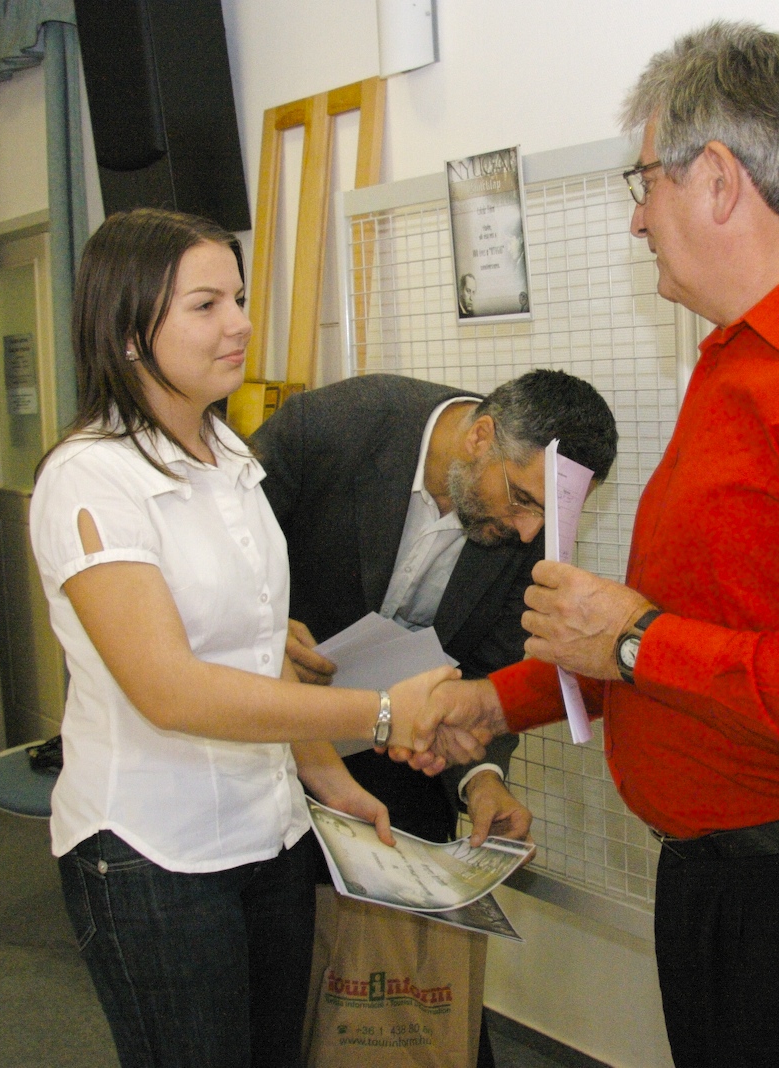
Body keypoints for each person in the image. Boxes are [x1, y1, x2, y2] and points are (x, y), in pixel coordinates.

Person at [403, 21, 779, 1068]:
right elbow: (696, 642)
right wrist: (495, 702)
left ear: (720, 180)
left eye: (644, 183)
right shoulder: (736, 363)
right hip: (731, 890)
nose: (636, 218)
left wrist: (634, 639)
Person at [28, 208, 457, 1068]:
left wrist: (328, 778)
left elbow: (261, 650)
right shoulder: (92, 477)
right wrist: (380, 713)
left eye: (240, 298)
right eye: (205, 305)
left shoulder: (228, 454)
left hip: (270, 834)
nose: (240, 324)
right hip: (153, 851)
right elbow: (171, 691)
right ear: (128, 331)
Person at [252, 368, 616, 1067]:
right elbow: (215, 540)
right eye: (522, 498)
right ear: (480, 437)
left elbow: (488, 675)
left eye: (550, 518)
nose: (530, 530)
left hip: (400, 759)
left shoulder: (529, 535)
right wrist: (261, 625)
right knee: (276, 977)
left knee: (412, 992)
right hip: (263, 740)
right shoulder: (335, 426)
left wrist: (482, 779)